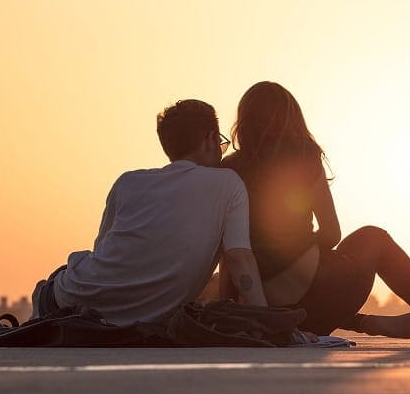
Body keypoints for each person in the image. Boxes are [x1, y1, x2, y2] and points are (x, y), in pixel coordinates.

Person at [220, 81, 410, 345]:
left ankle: (365, 323)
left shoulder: (229, 169)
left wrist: (229, 307)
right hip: (317, 300)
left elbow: (228, 252)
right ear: (292, 120)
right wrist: (301, 248)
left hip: (267, 309)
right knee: (373, 238)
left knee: (310, 279)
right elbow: (332, 233)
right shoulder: (304, 157)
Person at [31, 99, 271, 326]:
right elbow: (239, 259)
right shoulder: (229, 184)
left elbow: (104, 253)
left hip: (75, 300)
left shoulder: (127, 183)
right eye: (220, 143)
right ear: (210, 139)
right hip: (129, 317)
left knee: (60, 278)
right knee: (54, 280)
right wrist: (268, 322)